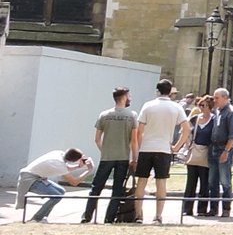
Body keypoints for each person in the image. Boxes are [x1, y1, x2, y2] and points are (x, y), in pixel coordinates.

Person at [131, 77, 191, 224]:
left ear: (157, 91)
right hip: (164, 148)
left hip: (146, 147)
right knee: (161, 183)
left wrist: (138, 148)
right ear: (170, 92)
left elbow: (139, 130)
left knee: (141, 182)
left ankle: (138, 215)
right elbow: (186, 129)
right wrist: (177, 146)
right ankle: (158, 216)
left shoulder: (148, 105)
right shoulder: (176, 107)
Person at [83, 85, 137, 223]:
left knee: (96, 188)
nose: (130, 98)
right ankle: (109, 218)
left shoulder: (104, 115)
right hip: (123, 158)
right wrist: (134, 158)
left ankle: (87, 216)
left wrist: (105, 149)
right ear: (124, 97)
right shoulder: (131, 116)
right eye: (129, 96)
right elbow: (134, 141)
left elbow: (97, 139)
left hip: (106, 157)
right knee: (117, 190)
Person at [19, 146, 92, 219]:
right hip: (29, 180)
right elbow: (74, 182)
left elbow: (67, 168)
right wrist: (88, 171)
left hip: (36, 177)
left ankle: (44, 217)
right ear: (75, 160)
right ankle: (36, 219)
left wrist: (79, 166)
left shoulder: (59, 153)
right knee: (56, 196)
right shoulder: (58, 164)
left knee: (61, 191)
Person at [206, 88, 233, 218]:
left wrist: (226, 151)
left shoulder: (232, 113)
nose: (214, 100)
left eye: (217, 98)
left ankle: (226, 208)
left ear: (225, 98)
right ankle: (213, 208)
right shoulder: (217, 111)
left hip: (224, 148)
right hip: (213, 148)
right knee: (212, 181)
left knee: (225, 180)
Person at [182, 94, 219, 219]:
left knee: (205, 183)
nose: (201, 108)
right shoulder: (195, 118)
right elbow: (184, 130)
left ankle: (202, 209)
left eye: (203, 106)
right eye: (199, 105)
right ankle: (187, 208)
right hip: (195, 151)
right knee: (190, 182)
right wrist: (188, 143)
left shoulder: (214, 120)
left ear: (210, 107)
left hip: (206, 153)